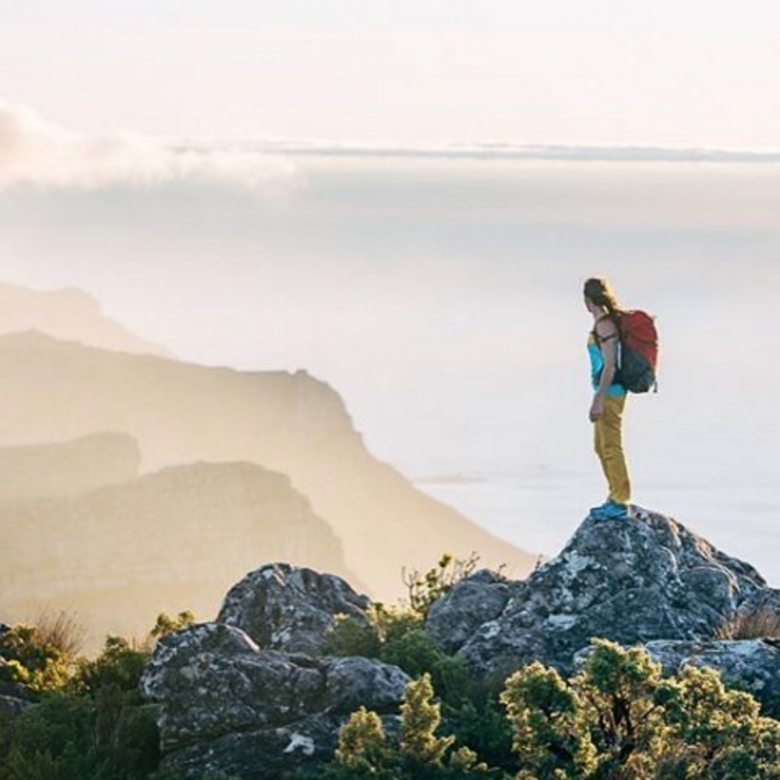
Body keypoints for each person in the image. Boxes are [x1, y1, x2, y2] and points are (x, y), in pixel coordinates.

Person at [584, 277, 631, 520]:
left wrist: (598, 399)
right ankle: (614, 496)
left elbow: (610, 366)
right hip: (606, 390)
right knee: (601, 447)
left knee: (611, 447)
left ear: (587, 300)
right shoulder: (605, 324)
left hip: (610, 391)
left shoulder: (605, 326)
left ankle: (620, 501)